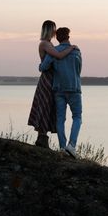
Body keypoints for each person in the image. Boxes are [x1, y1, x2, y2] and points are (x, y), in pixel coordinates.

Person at [28, 20, 77, 148]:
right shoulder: (44, 44)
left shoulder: (49, 44)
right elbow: (59, 56)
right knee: (44, 106)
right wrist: (70, 47)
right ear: (49, 30)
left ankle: (43, 138)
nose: (55, 32)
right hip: (47, 80)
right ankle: (42, 138)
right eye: (53, 29)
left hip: (53, 79)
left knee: (48, 107)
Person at [39, 27, 82, 158]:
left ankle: (63, 147)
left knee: (60, 119)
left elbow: (43, 67)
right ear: (68, 37)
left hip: (58, 89)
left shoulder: (54, 51)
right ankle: (72, 145)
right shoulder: (76, 51)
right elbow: (78, 70)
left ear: (57, 38)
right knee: (77, 117)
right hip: (74, 88)